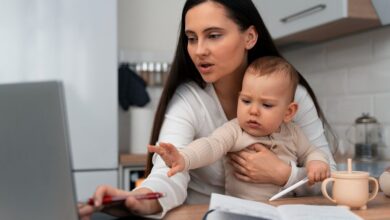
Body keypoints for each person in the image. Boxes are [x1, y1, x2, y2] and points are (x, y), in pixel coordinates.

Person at [78, 0, 337, 219]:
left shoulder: (291, 96)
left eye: (213, 35)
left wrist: (284, 174)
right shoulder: (188, 100)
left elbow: (333, 182)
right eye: (191, 38)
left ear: (249, 37)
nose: (199, 50)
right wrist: (137, 197)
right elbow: (169, 174)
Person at [148, 56, 330, 201]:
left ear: (289, 112)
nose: (253, 111)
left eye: (266, 105)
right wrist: (184, 158)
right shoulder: (236, 130)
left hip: (285, 210)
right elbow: (211, 146)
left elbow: (311, 152)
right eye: (246, 101)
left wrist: (316, 163)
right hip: (242, 210)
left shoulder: (294, 132)